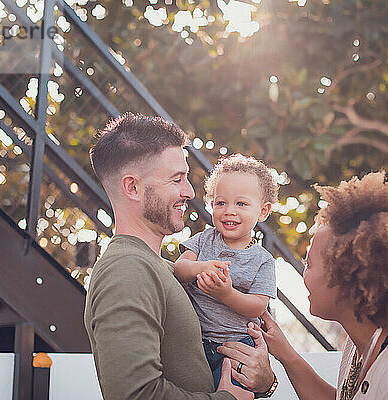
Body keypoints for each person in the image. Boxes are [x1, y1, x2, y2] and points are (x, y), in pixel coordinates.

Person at [218, 172, 388, 399]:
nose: (303, 275)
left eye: (310, 264)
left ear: (348, 274)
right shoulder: (364, 341)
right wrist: (286, 354)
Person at [84, 112, 275, 400]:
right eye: (177, 180)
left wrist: (264, 382)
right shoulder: (126, 270)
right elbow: (135, 395)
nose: (189, 191)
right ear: (133, 187)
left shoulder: (160, 266)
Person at [174, 154, 278, 390]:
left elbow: (258, 306)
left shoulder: (263, 260)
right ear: (212, 205)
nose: (229, 211)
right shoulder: (203, 241)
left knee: (231, 393)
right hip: (195, 342)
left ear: (263, 211)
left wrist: (226, 294)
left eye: (241, 204)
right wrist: (200, 267)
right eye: (221, 203)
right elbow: (179, 269)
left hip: (237, 347)